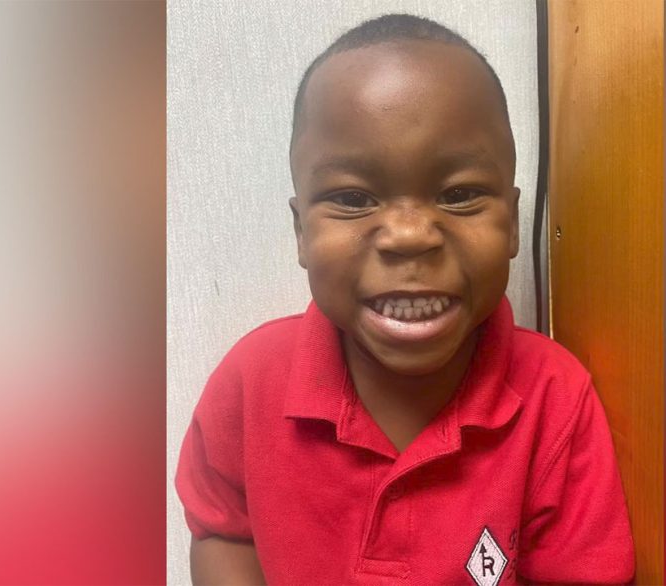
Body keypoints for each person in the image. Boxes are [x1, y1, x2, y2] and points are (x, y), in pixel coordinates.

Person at [176, 13, 634, 585]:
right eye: (352, 197)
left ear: (514, 223)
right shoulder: (248, 383)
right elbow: (223, 529)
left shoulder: (554, 400)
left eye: (460, 194)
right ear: (301, 232)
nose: (410, 235)